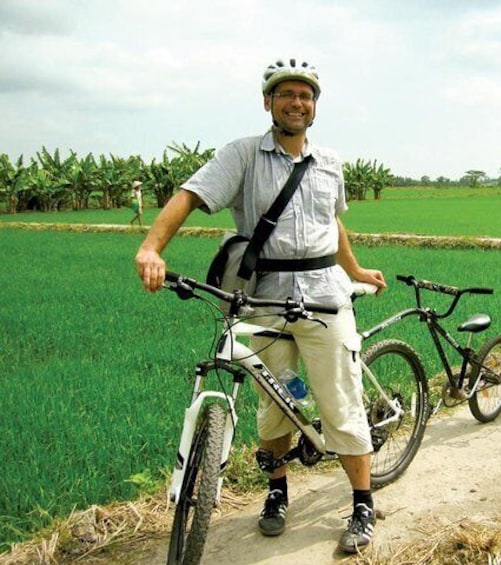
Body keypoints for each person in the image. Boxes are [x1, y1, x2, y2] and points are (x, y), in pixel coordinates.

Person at [134, 57, 387, 554]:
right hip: (265, 299)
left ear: (315, 105)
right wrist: (150, 247)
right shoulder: (243, 155)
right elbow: (189, 195)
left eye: (306, 95)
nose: (297, 102)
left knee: (340, 400)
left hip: (324, 299)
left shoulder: (330, 162)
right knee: (275, 405)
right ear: (268, 101)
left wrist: (354, 270)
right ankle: (277, 491)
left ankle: (361, 501)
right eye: (287, 94)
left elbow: (332, 225)